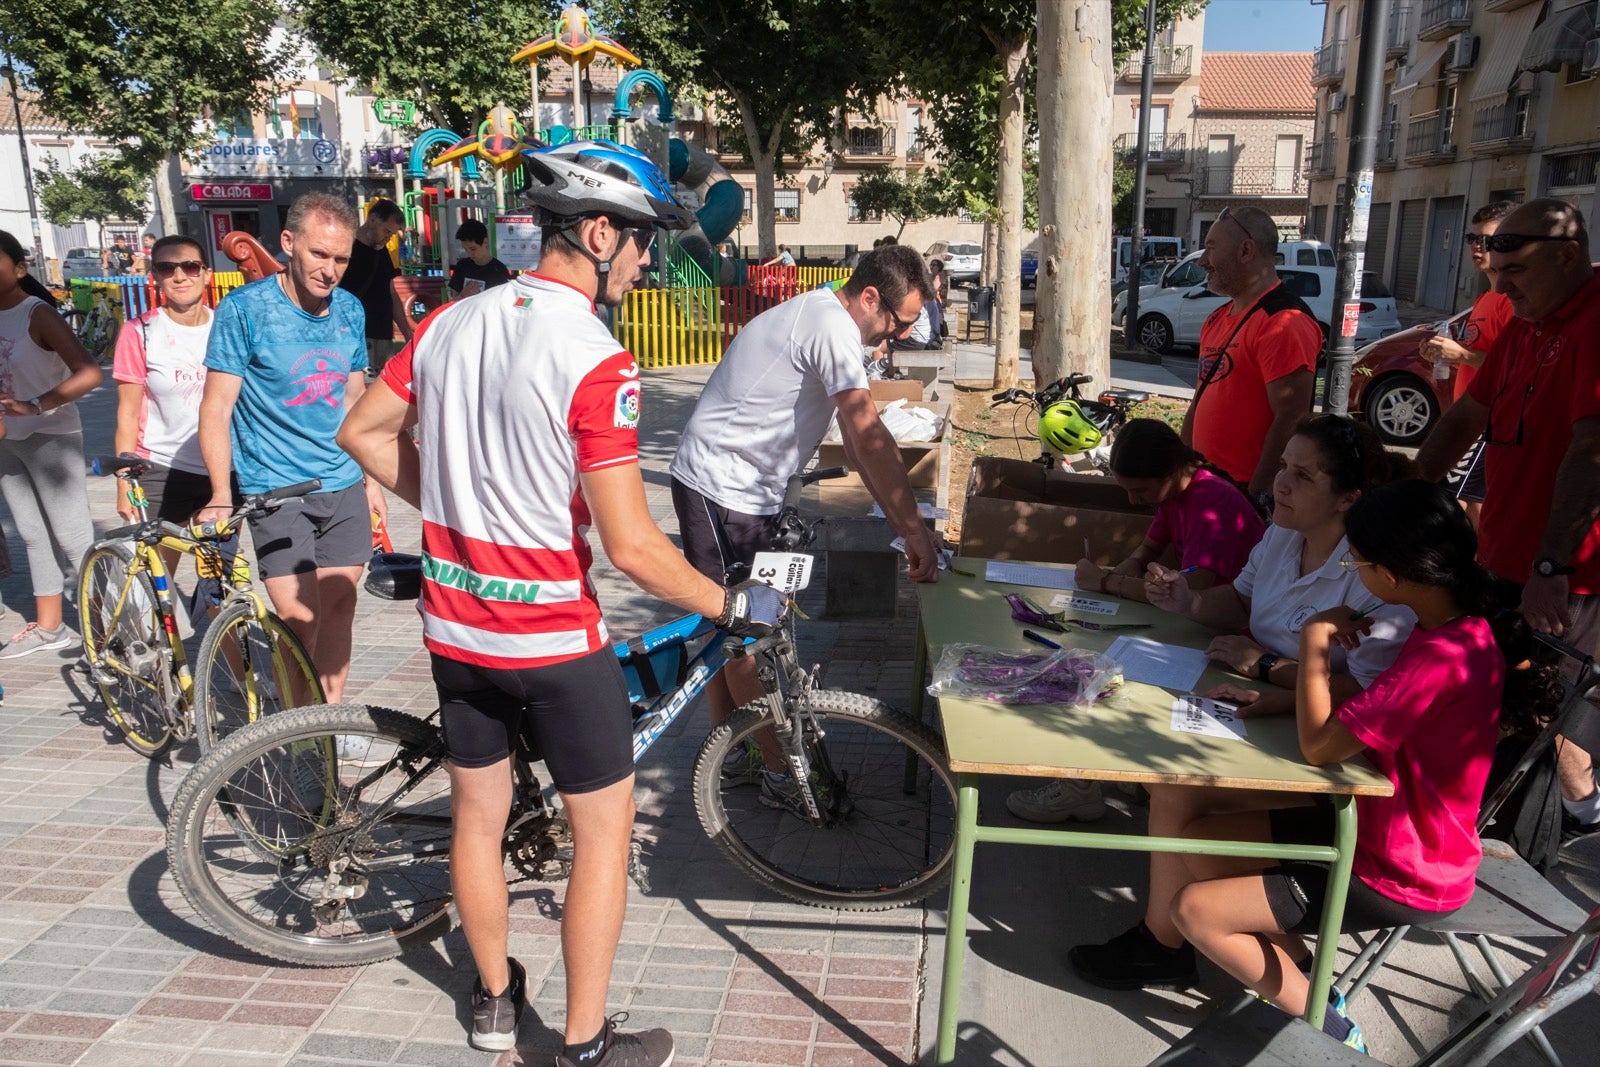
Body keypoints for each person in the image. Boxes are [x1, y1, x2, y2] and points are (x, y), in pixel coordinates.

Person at [337, 140, 784, 1064]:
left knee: (478, 819)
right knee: (602, 837)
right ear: (595, 231)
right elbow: (630, 545)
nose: (648, 260)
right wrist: (731, 602)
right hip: (549, 638)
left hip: (455, 629)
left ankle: (495, 1001)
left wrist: (457, 510)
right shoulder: (597, 357)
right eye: (642, 244)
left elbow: (362, 432)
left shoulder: (450, 321)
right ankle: (583, 1044)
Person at [1166, 481, 1557, 1051]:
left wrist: (1317, 639)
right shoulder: (1455, 630)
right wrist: (1284, 694)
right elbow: (1374, 720)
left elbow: (1321, 748)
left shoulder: (1441, 655)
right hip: (1377, 825)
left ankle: (1333, 1031)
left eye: (1358, 561)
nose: (1355, 574)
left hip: (1402, 870)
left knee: (1193, 910)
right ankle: (1311, 977)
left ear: (1391, 576)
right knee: (1198, 844)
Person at [1068, 415, 1418, 987]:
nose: (1280, 484)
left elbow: (1365, 691)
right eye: (1283, 466)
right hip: (1255, 700)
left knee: (1178, 783)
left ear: (1347, 499)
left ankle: (1177, 943)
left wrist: (1269, 670)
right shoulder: (1283, 533)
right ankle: (1169, 942)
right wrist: (1186, 600)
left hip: (1320, 742)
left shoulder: (1373, 575)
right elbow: (1238, 602)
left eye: (1302, 476)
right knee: (1164, 770)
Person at [670, 244, 943, 805]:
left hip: (750, 492)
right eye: (900, 324)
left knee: (733, 631)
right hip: (721, 490)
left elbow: (861, 439)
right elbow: (866, 439)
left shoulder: (827, 318)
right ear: (870, 298)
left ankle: (737, 750)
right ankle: (779, 775)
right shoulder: (829, 326)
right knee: (751, 639)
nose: (895, 338)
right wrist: (913, 530)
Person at [1416, 197, 1600, 840]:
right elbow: (1467, 417)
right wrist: (1408, 496)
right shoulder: (1525, 324)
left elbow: (1591, 449)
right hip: (1502, 558)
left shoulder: (1591, 323)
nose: (1503, 287)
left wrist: (1553, 564)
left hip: (1569, 577)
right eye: (1495, 274)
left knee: (1544, 724)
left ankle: (1561, 836)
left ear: (1566, 256)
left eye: (1516, 270)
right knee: (1494, 712)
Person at [1009, 420, 1267, 824]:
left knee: (1105, 676)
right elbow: (1148, 549)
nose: (1133, 501)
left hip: (1228, 634)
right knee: (1096, 659)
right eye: (1127, 490)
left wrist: (1109, 582)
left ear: (1170, 473)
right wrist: (1120, 575)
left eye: (1140, 491)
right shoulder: (1176, 490)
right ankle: (1097, 779)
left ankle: (1082, 786)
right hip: (1200, 623)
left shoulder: (1213, 502)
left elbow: (1188, 591)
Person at [197, 193, 386, 705]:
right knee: (301, 623)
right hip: (275, 489)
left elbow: (354, 399)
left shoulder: (349, 309)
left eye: (341, 259)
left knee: (340, 610)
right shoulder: (245, 311)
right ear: (288, 243)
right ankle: (297, 727)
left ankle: (330, 718)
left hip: (342, 484)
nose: (330, 271)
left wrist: (371, 481)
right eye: (319, 255)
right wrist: (219, 493)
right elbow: (216, 408)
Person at [0, 229, 104, 658]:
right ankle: (50, 627)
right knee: (31, 534)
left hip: (51, 436)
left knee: (72, 536)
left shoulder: (36, 313)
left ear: (19, 269)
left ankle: (110, 627)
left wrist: (35, 406)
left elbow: (90, 373)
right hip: (7, 441)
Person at [1182, 206, 1322, 514]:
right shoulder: (1218, 318)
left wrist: (1256, 496)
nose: (1203, 260)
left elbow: (1292, 418)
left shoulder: (1284, 321)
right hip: (1207, 488)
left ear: (1246, 250)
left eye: (1211, 247)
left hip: (1244, 498)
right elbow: (1200, 399)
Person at [1427, 200, 1518, 519]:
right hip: (1470, 412)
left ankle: (1481, 566)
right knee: (1470, 504)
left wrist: (1461, 354)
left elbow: (1515, 366)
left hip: (1488, 419)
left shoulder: (1512, 302)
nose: (1477, 246)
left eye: (1488, 239)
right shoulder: (1486, 298)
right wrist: (1447, 355)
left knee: (1463, 503)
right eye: (1473, 238)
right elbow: (1483, 357)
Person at [337, 198, 411, 374]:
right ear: (372, 220)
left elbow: (391, 294)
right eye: (386, 230)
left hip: (383, 335)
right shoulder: (346, 248)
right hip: (356, 335)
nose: (387, 237)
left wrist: (408, 335)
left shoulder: (382, 251)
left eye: (391, 234)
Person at [447, 219, 513, 298]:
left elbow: (504, 301)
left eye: (473, 249)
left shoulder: (499, 269)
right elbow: (453, 303)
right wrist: (462, 295)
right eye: (465, 249)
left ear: (485, 242)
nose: (469, 253)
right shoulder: (462, 266)